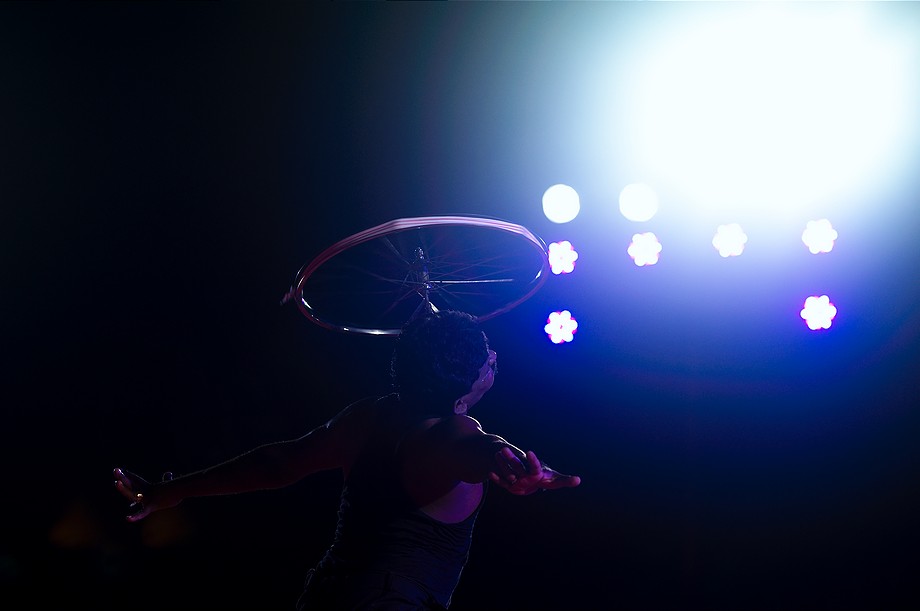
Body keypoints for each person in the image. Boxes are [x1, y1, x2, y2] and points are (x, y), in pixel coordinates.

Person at [114, 309, 581, 610]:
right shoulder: (455, 431)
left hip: (325, 597)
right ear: (467, 382)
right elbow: (480, 448)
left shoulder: (369, 416)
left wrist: (169, 490)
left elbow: (277, 464)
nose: (494, 355)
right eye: (488, 359)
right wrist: (516, 464)